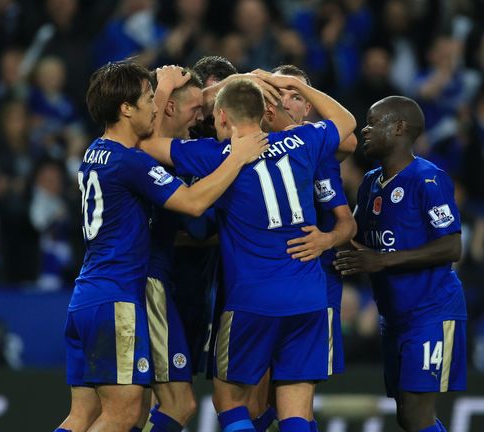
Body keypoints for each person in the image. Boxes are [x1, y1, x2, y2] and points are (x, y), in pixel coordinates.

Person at [54, 61, 268, 432]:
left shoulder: (95, 152)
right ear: (125, 108)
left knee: (81, 416)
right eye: (150, 99)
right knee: (123, 414)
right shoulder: (130, 162)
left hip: (87, 295)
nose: (155, 107)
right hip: (118, 298)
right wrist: (236, 157)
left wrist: (163, 88)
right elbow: (193, 203)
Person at [140, 72, 356, 432]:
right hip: (308, 295)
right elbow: (347, 122)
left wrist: (163, 91)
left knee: (230, 402)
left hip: (252, 299)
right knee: (297, 411)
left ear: (222, 117)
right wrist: (299, 86)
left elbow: (146, 145)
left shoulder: (215, 154)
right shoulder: (302, 140)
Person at [334, 96, 467, 432]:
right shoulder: (369, 182)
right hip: (394, 315)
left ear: (398, 128)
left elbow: (452, 246)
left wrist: (382, 260)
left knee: (417, 410)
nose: (364, 129)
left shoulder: (428, 179)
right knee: (407, 415)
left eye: (372, 121)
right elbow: (352, 235)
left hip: (432, 310)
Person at [137, 68, 204, 432]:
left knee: (131, 409)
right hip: (149, 283)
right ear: (168, 107)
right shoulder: (141, 158)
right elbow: (195, 214)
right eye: (194, 107)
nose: (202, 116)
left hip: (139, 282)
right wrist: (237, 159)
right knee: (178, 403)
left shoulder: (140, 156)